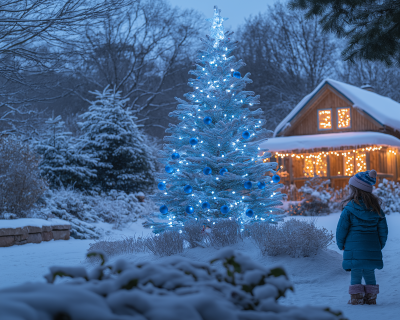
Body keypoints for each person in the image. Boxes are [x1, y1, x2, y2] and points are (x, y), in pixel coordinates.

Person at [336, 169, 388, 305]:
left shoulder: (349, 209)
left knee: (356, 272)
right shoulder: (377, 210)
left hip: (354, 248)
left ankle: (356, 298)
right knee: (369, 272)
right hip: (372, 247)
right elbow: (383, 231)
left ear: (355, 190)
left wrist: (340, 243)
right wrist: (378, 245)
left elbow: (341, 229)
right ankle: (371, 298)